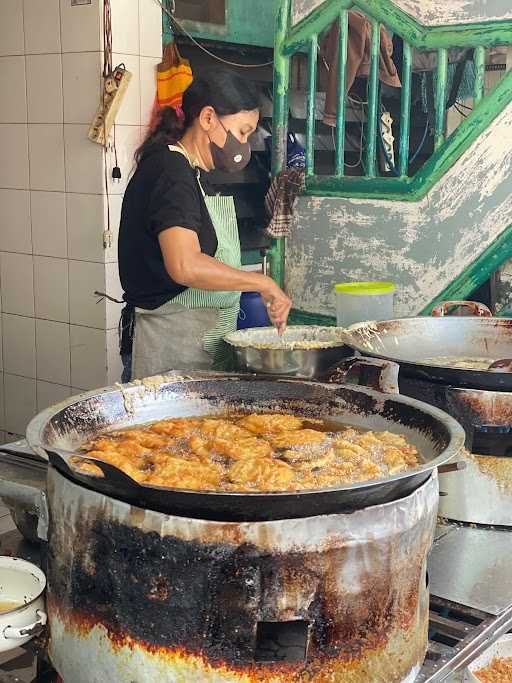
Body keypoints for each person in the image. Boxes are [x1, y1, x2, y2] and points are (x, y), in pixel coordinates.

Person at [118, 69, 292, 380]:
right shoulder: (170, 171)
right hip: (168, 349)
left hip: (198, 348)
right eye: (241, 132)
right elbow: (185, 265)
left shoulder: (191, 173)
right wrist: (262, 283)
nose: (244, 145)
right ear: (208, 118)